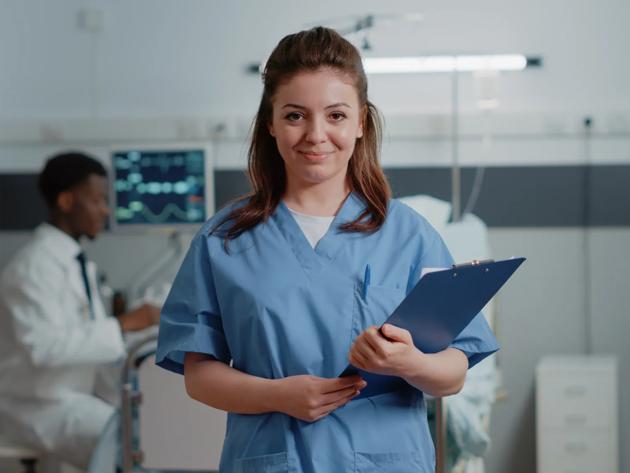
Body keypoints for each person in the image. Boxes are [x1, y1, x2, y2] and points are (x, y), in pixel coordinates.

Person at [156, 27, 499, 473]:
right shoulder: (225, 238)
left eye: (336, 115)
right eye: (296, 115)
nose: (316, 135)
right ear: (271, 123)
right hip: (272, 459)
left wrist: (409, 362)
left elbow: (453, 371)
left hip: (386, 460)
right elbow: (198, 374)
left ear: (360, 123)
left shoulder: (408, 234)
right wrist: (278, 396)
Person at [0, 152, 160, 471]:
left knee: (152, 427)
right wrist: (124, 323)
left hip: (73, 396)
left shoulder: (78, 264)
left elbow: (90, 335)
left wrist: (139, 332)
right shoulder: (32, 268)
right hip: (36, 406)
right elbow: (44, 348)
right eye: (98, 200)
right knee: (133, 443)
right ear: (66, 201)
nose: (105, 210)